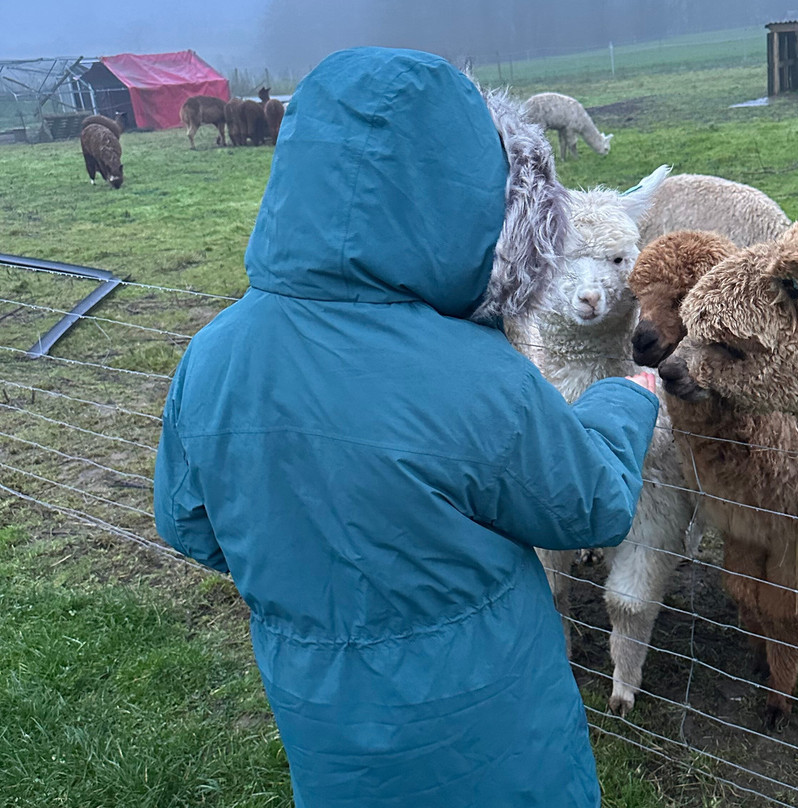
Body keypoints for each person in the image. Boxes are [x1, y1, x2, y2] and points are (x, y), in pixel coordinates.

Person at [154, 47, 659, 808]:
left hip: (326, 727)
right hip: (497, 739)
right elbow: (589, 504)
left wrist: (310, 571)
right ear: (464, 192)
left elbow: (189, 522)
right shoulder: (478, 374)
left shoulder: (213, 356)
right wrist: (624, 400)